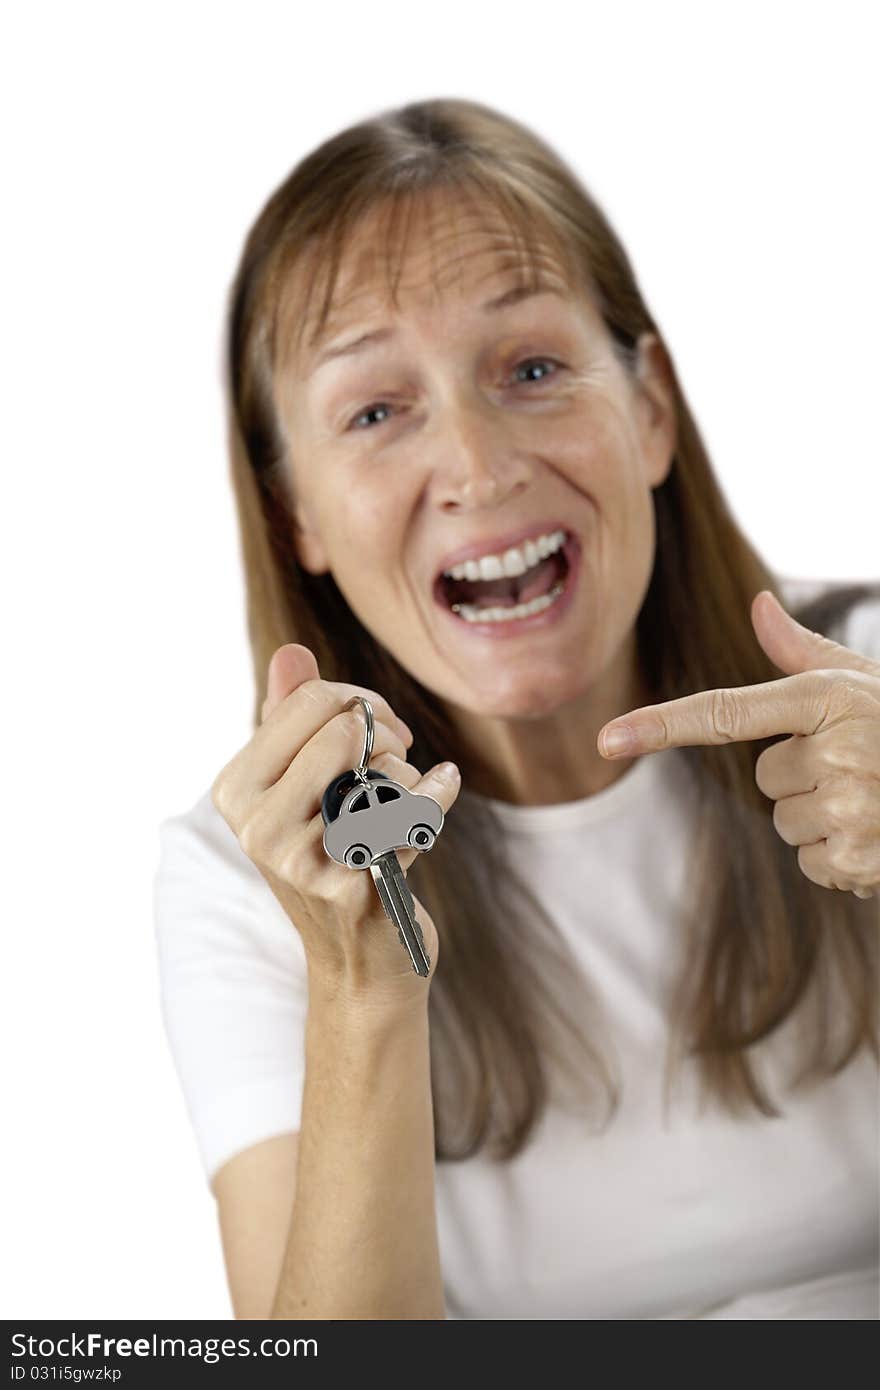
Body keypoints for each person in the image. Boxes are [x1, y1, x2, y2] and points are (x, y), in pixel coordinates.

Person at [152, 97, 880, 1321]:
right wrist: (363, 989)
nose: (480, 469)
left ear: (650, 408)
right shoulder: (247, 881)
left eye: (532, 368)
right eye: (377, 410)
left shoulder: (866, 683)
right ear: (300, 519)